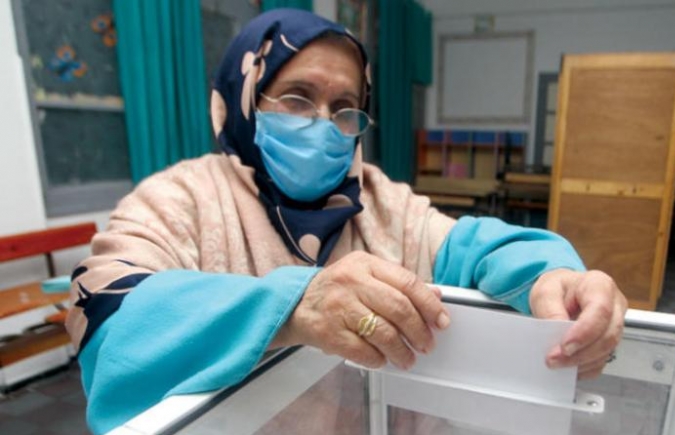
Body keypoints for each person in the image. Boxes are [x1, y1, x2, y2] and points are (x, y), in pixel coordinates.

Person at [66, 8, 627, 434]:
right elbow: (110, 317)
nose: (322, 124)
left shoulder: (380, 201)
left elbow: (472, 246)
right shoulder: (180, 199)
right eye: (296, 98)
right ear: (243, 98)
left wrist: (552, 276)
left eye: (343, 109)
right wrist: (294, 306)